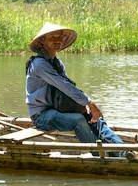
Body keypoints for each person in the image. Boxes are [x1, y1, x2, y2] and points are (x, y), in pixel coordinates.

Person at [24, 21, 127, 156]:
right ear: (43, 41)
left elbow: (69, 86)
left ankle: (122, 151)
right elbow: (64, 86)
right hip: (42, 116)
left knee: (94, 118)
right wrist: (88, 102)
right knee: (78, 120)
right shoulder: (39, 65)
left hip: (58, 109)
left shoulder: (57, 63)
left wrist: (88, 106)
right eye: (52, 37)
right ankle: (100, 156)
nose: (57, 41)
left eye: (59, 37)